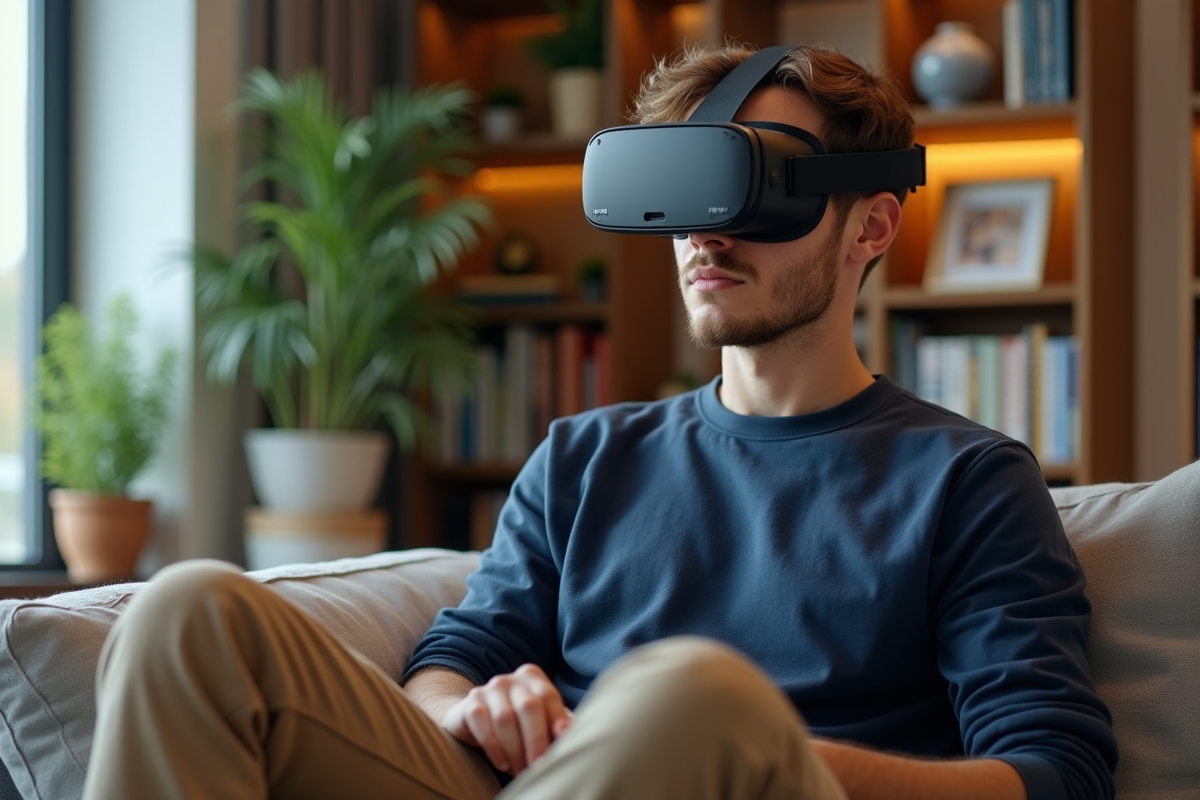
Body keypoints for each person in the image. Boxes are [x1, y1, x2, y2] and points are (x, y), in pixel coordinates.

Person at [82, 45, 1117, 800]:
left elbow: (1054, 772)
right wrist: (467, 708)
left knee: (689, 692)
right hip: (525, 784)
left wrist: (763, 754)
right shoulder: (586, 456)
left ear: (871, 223)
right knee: (189, 613)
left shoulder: (967, 478)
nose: (706, 231)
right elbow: (457, 651)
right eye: (681, 188)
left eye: (752, 183)